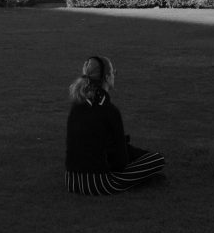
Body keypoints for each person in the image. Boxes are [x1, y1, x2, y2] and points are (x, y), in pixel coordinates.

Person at [65, 55, 165, 195]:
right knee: (157, 159)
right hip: (98, 184)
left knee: (130, 154)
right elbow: (120, 163)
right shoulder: (109, 111)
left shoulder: (76, 106)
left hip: (72, 181)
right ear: (106, 77)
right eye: (113, 72)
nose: (114, 76)